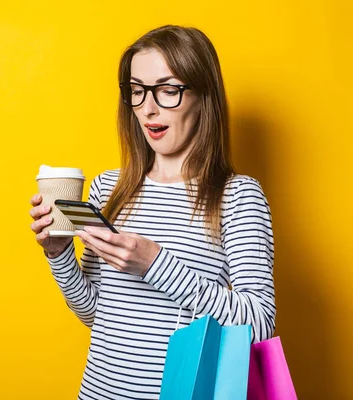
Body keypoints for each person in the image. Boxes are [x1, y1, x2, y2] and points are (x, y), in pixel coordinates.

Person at [28, 25, 275, 400]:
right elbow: (97, 315)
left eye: (167, 89)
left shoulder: (238, 196)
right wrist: (58, 253)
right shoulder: (108, 188)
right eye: (137, 91)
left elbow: (259, 323)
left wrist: (155, 264)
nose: (148, 107)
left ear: (203, 94)